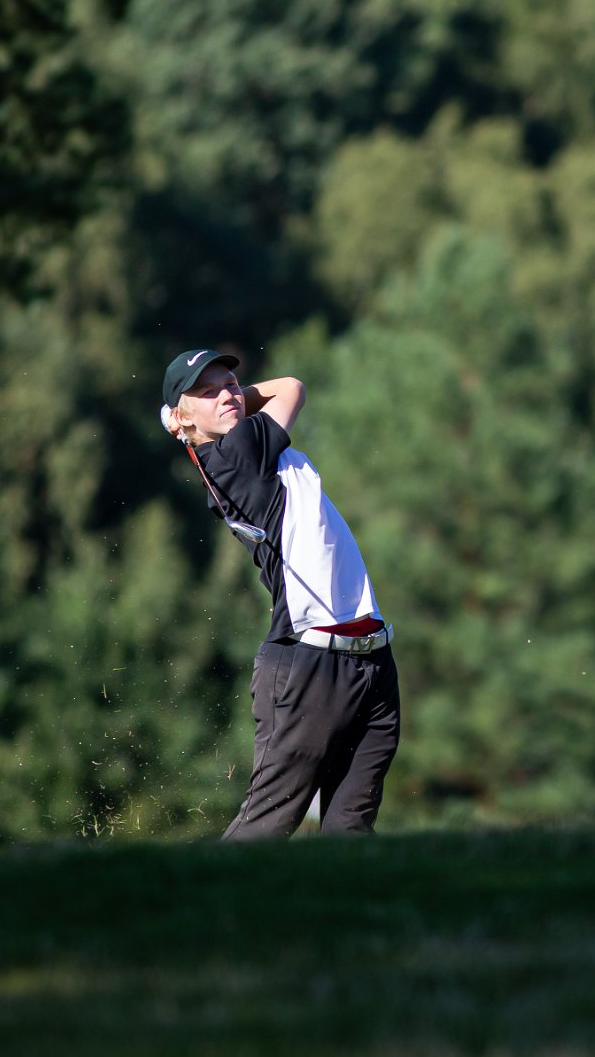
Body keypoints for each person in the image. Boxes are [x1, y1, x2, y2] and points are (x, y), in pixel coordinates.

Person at [158, 348, 400, 838]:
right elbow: (291, 387)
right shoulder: (236, 451)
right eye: (207, 391)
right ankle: (193, 908)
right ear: (182, 418)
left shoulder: (243, 446)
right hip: (310, 665)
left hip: (368, 655)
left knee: (350, 828)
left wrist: (201, 410)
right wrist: (232, 405)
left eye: (229, 383)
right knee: (266, 825)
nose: (226, 393)